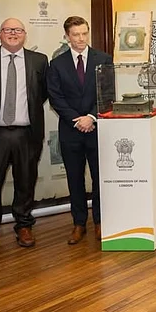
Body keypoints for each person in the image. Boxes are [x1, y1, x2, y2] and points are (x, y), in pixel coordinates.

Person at [0, 18, 48, 256]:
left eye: (17, 30)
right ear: (0, 34)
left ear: (25, 34)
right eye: (8, 30)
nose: (13, 33)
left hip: (27, 133)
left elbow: (42, 93)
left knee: (26, 182)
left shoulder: (39, 60)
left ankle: (24, 226)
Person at [46, 16, 112, 244]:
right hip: (70, 130)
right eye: (76, 34)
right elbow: (55, 98)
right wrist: (77, 120)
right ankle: (79, 224)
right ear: (67, 36)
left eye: (84, 33)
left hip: (97, 128)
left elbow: (108, 93)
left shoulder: (103, 59)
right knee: (74, 179)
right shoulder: (57, 64)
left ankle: (100, 221)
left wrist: (91, 117)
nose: (81, 38)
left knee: (99, 178)